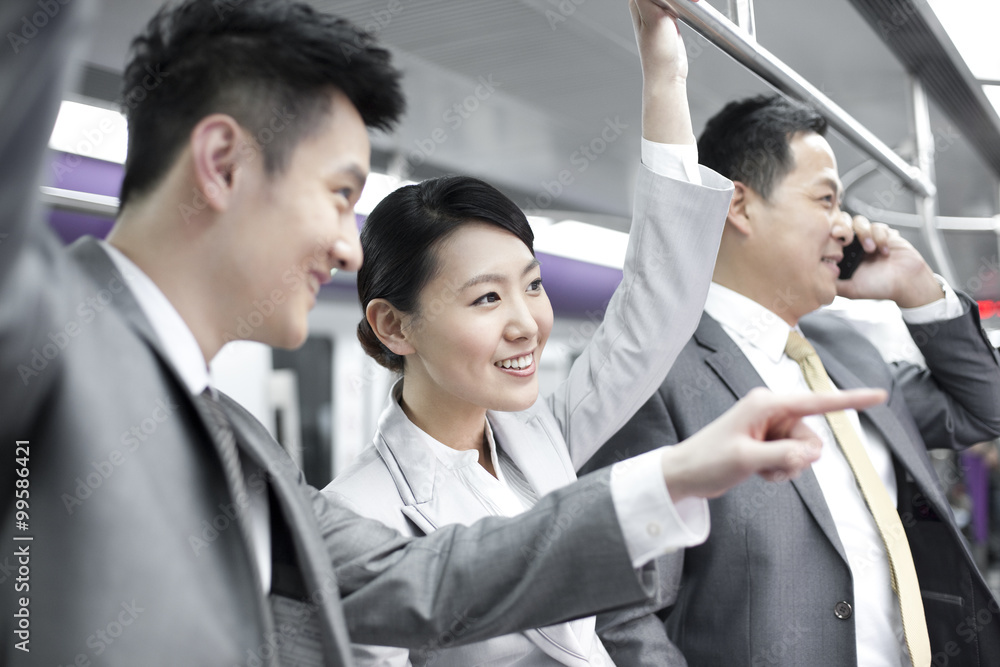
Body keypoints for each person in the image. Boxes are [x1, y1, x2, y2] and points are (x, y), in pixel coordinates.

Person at [0, 1, 885, 664]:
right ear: (223, 163)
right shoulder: (43, 337)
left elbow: (439, 579)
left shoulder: (244, 449)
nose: (349, 245)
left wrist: (678, 472)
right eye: (342, 193)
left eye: (529, 290)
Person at [322, 0, 733, 662]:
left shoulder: (540, 432)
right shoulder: (360, 514)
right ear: (394, 326)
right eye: (487, 297)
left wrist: (663, 69)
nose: (527, 324)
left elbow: (658, 303)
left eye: (533, 285)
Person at [582, 94, 1000, 666]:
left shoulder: (852, 357)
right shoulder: (654, 374)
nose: (846, 226)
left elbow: (986, 410)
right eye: (825, 199)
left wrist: (918, 289)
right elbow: (620, 605)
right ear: (740, 206)